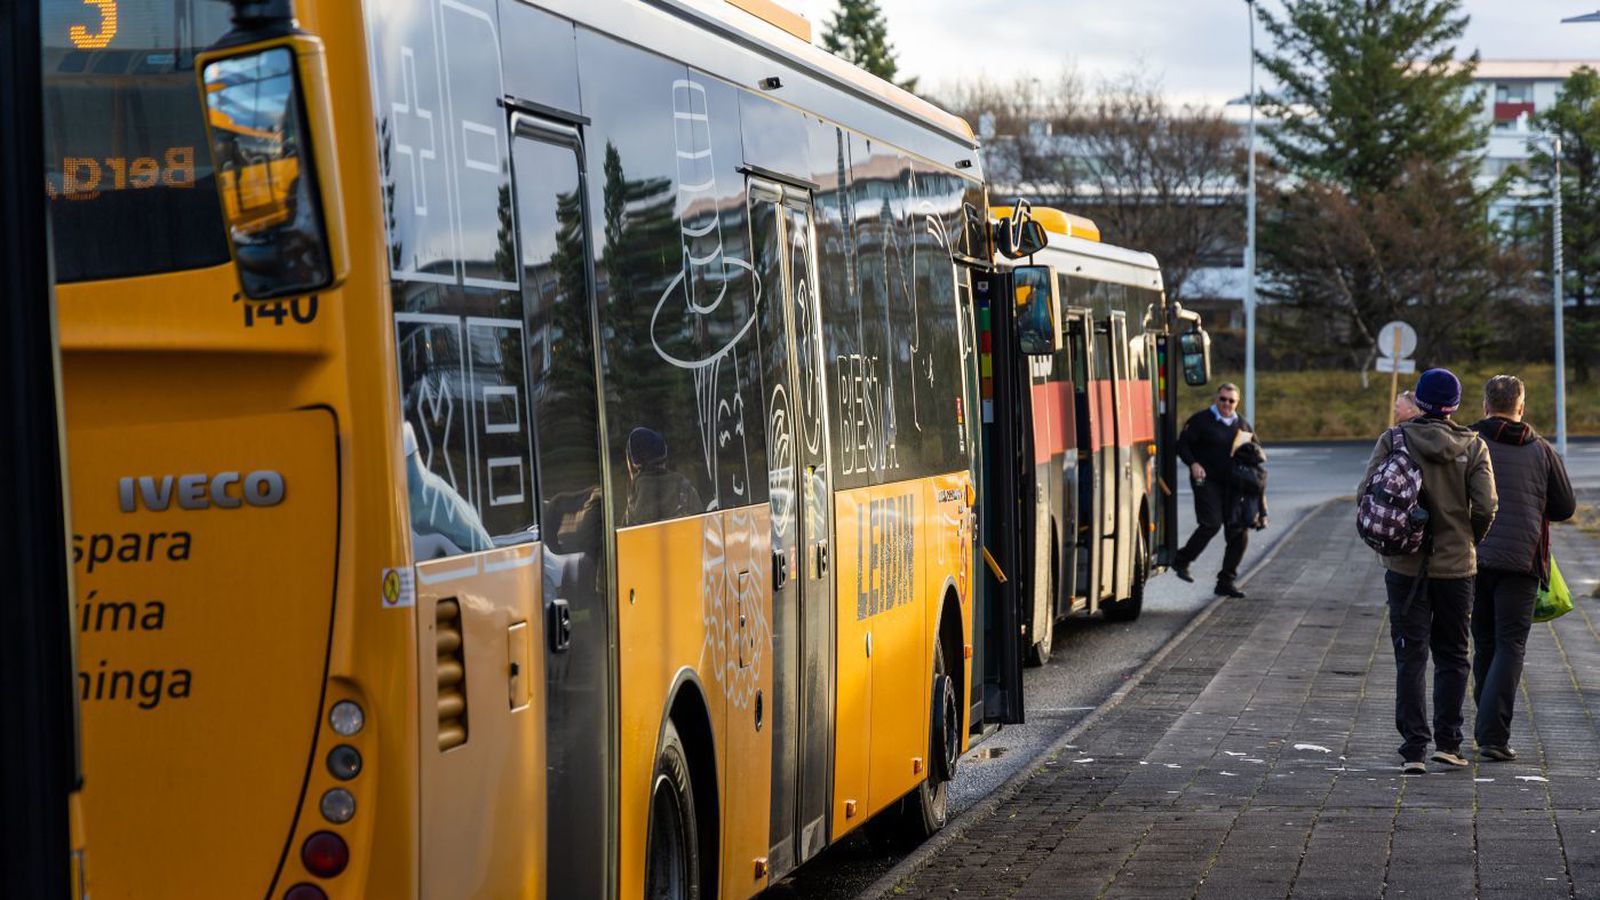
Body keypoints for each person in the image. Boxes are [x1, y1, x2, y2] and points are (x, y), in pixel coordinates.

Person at [1359, 368, 1496, 775]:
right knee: (1453, 655)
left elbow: (1365, 492)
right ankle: (1449, 744)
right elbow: (1487, 505)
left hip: (1404, 565)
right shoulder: (1474, 446)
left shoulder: (1394, 439)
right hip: (1456, 568)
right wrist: (1469, 538)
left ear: (1419, 401)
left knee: (1411, 656)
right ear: (1454, 406)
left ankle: (1413, 749)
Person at [1468, 375, 1575, 761]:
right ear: (1521, 406)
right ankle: (1493, 736)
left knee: (1484, 643)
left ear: (1485, 405)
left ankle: (1486, 727)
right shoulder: (1541, 450)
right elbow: (1565, 507)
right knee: (1510, 645)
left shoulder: (1467, 442)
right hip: (1522, 560)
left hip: (1471, 558)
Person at [1174, 383, 1261, 598]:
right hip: (1207, 481)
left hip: (1233, 486)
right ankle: (1182, 560)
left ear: (1237, 402)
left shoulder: (1242, 425)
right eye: (1223, 399)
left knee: (1238, 532)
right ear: (1216, 398)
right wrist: (1193, 463)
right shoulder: (1201, 420)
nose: (1226, 404)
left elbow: (1257, 452)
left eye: (1231, 401)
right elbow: (1182, 445)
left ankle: (1226, 581)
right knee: (1211, 523)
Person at [623, 426, 702, 526]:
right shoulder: (686, 490)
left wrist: (597, 504)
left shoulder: (634, 502)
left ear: (632, 465)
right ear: (664, 456)